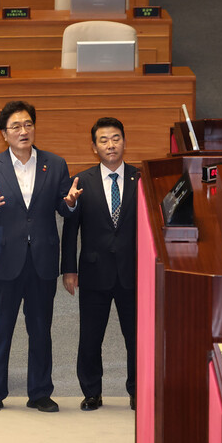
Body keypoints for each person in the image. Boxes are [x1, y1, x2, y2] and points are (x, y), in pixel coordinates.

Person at [0, 100, 83, 413]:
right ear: (3, 134)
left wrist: (72, 202)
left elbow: (64, 207)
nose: (24, 131)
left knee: (40, 329)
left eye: (28, 125)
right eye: (16, 127)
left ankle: (40, 392)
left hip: (42, 260)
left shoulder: (55, 163)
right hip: (3, 260)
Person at [61, 117, 138, 411]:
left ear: (124, 141)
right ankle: (92, 391)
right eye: (104, 140)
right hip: (94, 272)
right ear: (94, 147)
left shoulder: (141, 179)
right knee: (91, 336)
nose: (111, 145)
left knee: (136, 337)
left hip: (133, 272)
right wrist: (69, 269)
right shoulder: (82, 181)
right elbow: (70, 231)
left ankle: (136, 390)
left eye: (116, 138)